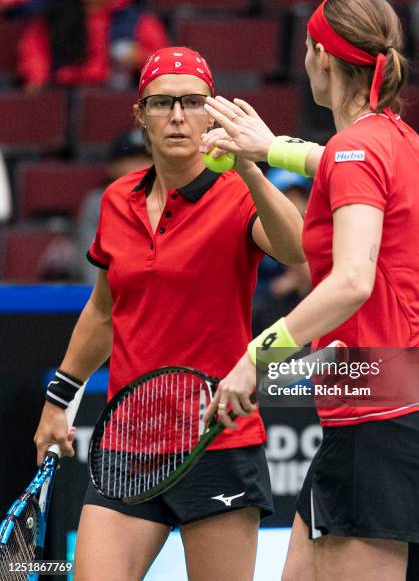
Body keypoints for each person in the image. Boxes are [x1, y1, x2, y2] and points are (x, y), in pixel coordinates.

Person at [202, 0, 419, 581]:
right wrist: (269, 150)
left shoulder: (358, 150)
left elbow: (350, 283)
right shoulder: (401, 142)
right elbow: (340, 160)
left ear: (320, 56)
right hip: (371, 408)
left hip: (377, 425)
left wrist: (255, 359)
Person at [33, 46, 305, 581]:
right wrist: (57, 400)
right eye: (162, 103)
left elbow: (297, 249)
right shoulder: (117, 201)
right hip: (129, 443)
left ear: (212, 113)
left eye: (192, 102)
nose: (178, 116)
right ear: (140, 114)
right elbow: (103, 312)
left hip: (217, 441)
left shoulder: (236, 195)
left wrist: (250, 168)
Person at [17, 0, 168, 90]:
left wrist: (139, 57)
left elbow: (165, 64)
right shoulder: (53, 17)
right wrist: (37, 83)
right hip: (62, 94)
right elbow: (33, 55)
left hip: (117, 98)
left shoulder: (137, 20)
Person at [77, 128, 152, 283]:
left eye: (147, 157)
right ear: (113, 166)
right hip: (112, 297)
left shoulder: (178, 198)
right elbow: (92, 272)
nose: (139, 166)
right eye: (130, 158)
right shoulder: (97, 203)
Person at [253, 168, 312, 334]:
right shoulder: (257, 236)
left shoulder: (323, 231)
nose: (294, 203)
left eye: (297, 195)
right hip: (270, 321)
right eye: (285, 196)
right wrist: (275, 288)